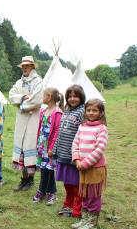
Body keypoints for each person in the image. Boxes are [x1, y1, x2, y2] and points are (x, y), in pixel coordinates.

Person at [71, 99, 108, 229]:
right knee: (85, 194)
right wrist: (76, 159)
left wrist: (85, 163)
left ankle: (92, 222)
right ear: (85, 112)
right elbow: (75, 143)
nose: (91, 113)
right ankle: (85, 219)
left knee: (93, 196)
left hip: (95, 169)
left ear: (101, 113)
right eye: (89, 110)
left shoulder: (102, 129)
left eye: (95, 110)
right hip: (82, 167)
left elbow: (99, 149)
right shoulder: (82, 126)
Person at [9, 56, 43, 191]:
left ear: (32, 67)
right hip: (21, 119)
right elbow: (11, 96)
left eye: (27, 66)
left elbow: (37, 99)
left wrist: (23, 105)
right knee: (21, 147)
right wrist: (23, 97)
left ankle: (30, 179)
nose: (25, 68)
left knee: (30, 146)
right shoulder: (19, 82)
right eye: (23, 66)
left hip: (33, 118)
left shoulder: (38, 81)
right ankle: (23, 179)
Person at [52, 84, 86, 218]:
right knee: (67, 182)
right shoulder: (66, 110)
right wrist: (54, 149)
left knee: (76, 183)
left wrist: (79, 154)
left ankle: (77, 208)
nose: (72, 99)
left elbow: (84, 134)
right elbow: (60, 132)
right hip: (63, 153)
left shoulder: (83, 111)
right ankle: (68, 203)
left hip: (75, 154)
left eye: (75, 96)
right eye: (70, 96)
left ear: (81, 97)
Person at [32, 87, 63, 204]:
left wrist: (52, 148)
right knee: (44, 168)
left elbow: (56, 131)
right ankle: (46, 191)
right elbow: (40, 128)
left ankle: (47, 192)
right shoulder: (43, 111)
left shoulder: (57, 112)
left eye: (43, 95)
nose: (42, 97)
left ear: (49, 97)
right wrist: (38, 143)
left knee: (49, 170)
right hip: (42, 145)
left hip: (50, 147)